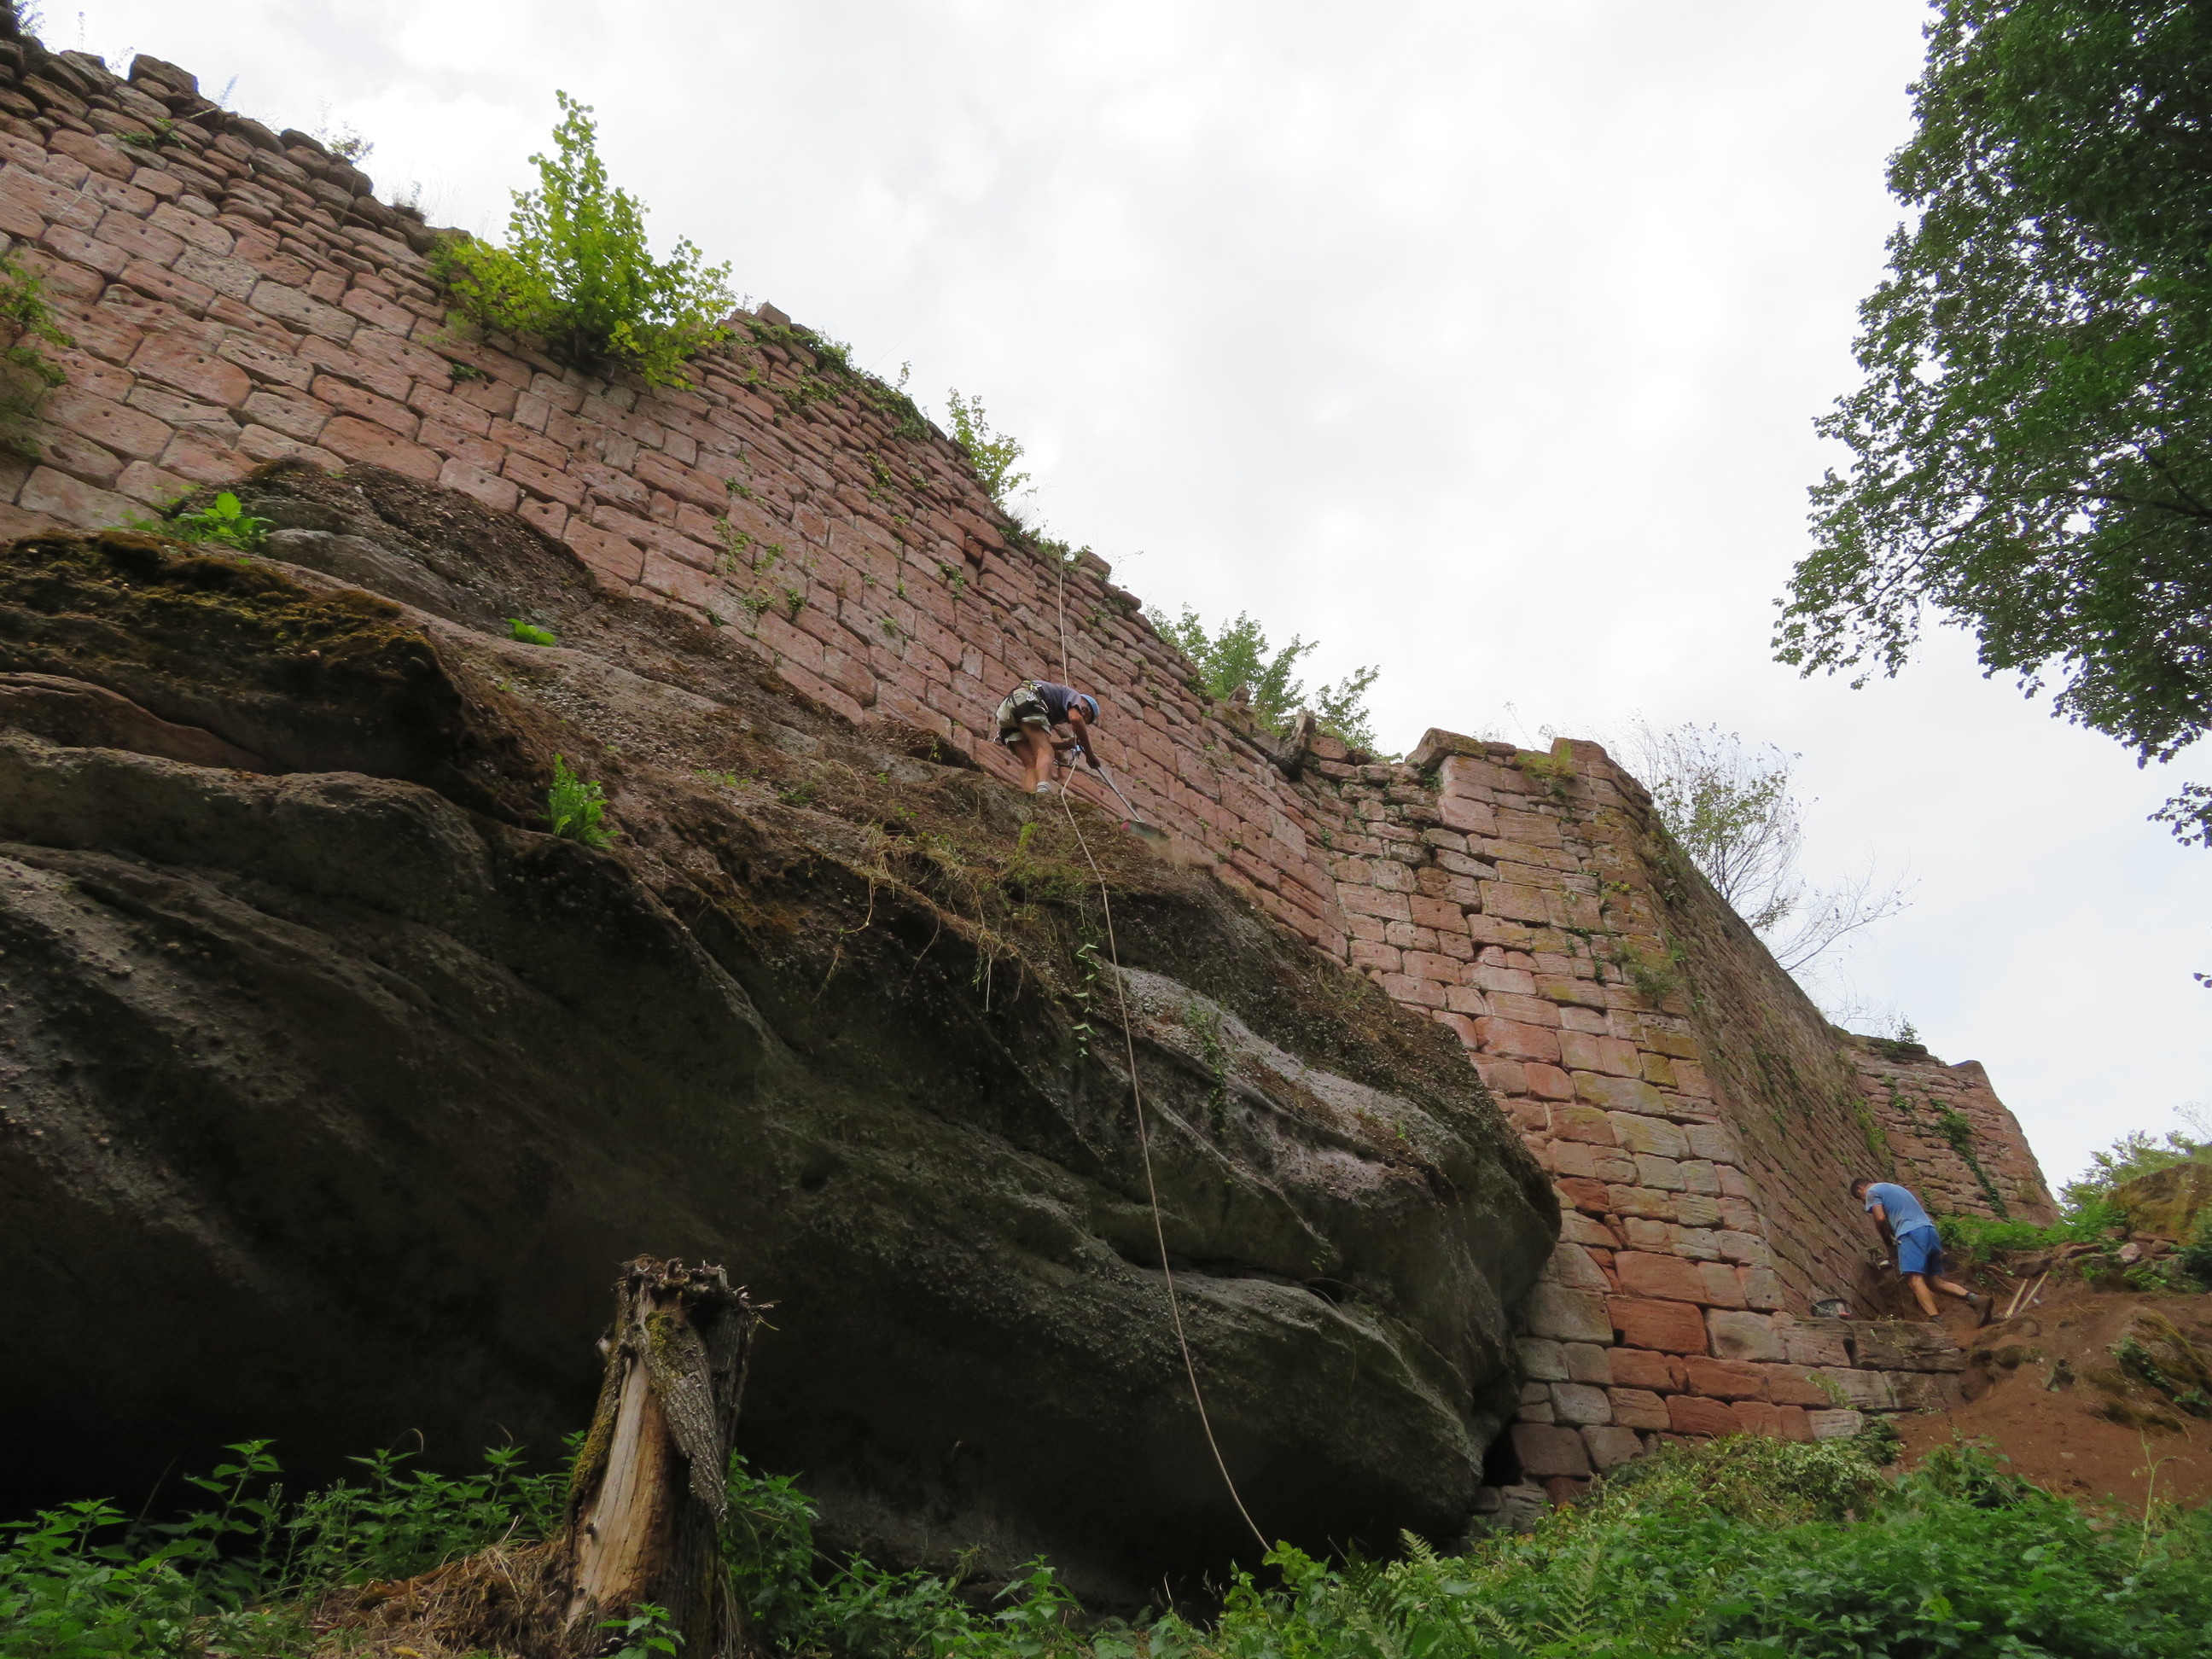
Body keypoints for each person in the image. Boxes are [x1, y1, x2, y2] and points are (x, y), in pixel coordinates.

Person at [1852, 1177, 1980, 1318]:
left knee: (1914, 1279)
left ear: (1860, 1189)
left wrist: (1888, 1243)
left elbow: (1880, 1218)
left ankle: (1936, 1320)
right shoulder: (1897, 1188)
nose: (1865, 1203)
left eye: (1861, 1199)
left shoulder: (1872, 1191)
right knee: (1935, 1282)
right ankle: (1976, 1299)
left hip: (1910, 1233)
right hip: (1930, 1231)